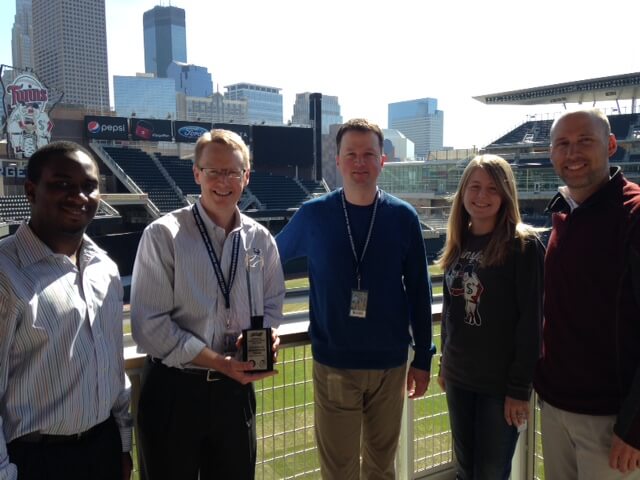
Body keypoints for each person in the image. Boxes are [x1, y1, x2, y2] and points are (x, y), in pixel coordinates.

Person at [276, 118, 435, 479]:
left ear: (383, 161)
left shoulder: (403, 217)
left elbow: (419, 292)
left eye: (368, 154)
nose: (360, 162)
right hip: (335, 365)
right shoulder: (313, 214)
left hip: (390, 366)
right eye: (351, 154)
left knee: (382, 468)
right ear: (338, 160)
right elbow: (269, 260)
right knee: (339, 471)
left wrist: (423, 357)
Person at [131, 129, 285, 480]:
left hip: (235, 394)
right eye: (213, 171)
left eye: (232, 171)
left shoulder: (261, 239)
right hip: (175, 390)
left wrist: (268, 335)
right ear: (197, 174)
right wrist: (220, 362)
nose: (222, 181)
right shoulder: (163, 235)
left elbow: (274, 303)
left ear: (246, 177)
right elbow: (149, 327)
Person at [0, 141, 133, 480]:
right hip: (35, 459)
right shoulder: (5, 273)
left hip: (102, 447)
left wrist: (122, 444)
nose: (78, 196)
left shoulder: (104, 267)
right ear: (31, 191)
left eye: (89, 186)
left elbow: (112, 366)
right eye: (62, 184)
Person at [534, 108, 640, 479]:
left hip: (611, 423)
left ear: (611, 145)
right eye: (562, 144)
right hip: (557, 406)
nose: (572, 153)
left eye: (585, 141)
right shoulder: (564, 214)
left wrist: (634, 428)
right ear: (551, 154)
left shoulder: (635, 214)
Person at [436, 154, 544, 480]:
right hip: (459, 377)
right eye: (475, 186)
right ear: (463, 191)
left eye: (492, 189)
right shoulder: (459, 240)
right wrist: (444, 362)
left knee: (491, 474)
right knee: (465, 470)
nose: (482, 196)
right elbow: (450, 312)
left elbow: (531, 322)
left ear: (506, 194)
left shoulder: (522, 245)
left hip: (499, 387)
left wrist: (518, 388)